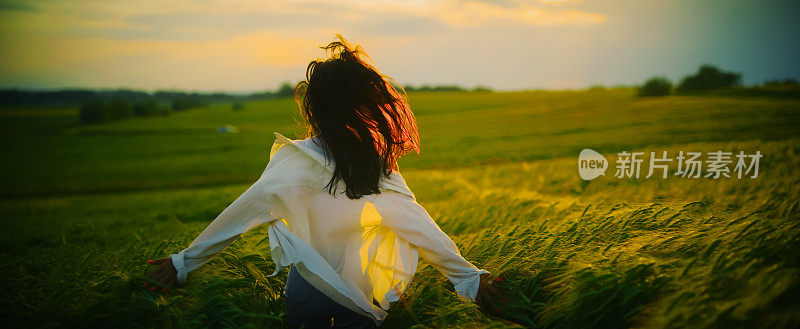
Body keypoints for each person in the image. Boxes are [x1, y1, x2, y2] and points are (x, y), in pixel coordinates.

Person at [146, 35, 502, 328]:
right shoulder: (373, 166)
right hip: (359, 293)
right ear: (362, 106)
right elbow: (418, 225)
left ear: (315, 107)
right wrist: (468, 277)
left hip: (307, 289)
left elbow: (242, 213)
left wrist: (183, 263)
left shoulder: (297, 163)